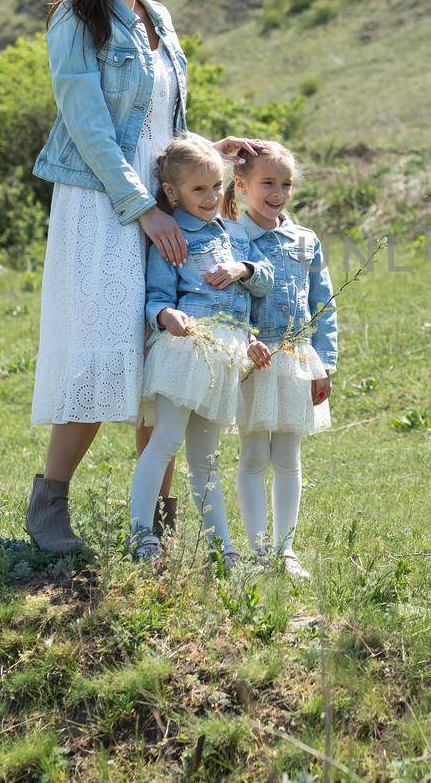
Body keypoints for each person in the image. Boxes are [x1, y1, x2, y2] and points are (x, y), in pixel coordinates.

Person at [27, 0, 261, 553]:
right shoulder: (78, 18)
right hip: (102, 206)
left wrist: (205, 161)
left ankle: (153, 525)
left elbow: (163, 130)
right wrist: (141, 209)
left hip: (159, 205)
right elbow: (93, 128)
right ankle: (48, 506)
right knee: (100, 346)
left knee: (160, 355)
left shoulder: (158, 18)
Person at [131, 135, 273, 562]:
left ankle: (220, 546)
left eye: (216, 187)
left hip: (226, 354)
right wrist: (165, 317)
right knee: (166, 440)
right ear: (172, 193)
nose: (211, 197)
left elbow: (260, 282)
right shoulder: (172, 236)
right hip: (189, 349)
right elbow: (157, 295)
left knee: (207, 458)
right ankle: (143, 534)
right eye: (199, 190)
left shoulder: (233, 234)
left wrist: (242, 269)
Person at [225, 143, 337, 578]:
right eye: (267, 182)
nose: (277, 192)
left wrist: (323, 363)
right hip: (253, 359)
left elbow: (323, 303)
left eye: (285, 184)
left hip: (295, 359)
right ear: (242, 185)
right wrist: (242, 343)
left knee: (289, 456)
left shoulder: (305, 240)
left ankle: (286, 551)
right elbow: (226, 300)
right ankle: (258, 549)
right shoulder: (230, 238)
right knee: (253, 456)